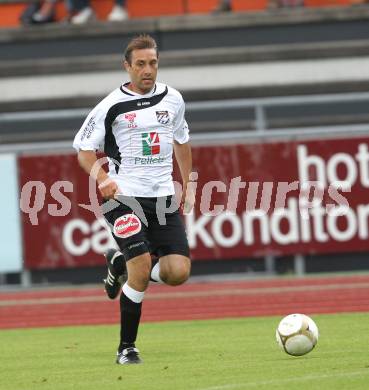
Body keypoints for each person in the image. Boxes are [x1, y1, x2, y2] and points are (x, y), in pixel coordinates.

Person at [73, 34, 194, 365]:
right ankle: (126, 347)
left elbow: (182, 140)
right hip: (121, 197)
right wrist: (102, 178)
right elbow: (83, 150)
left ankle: (118, 264)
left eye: (153, 63)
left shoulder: (174, 100)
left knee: (177, 272)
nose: (147, 70)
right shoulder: (110, 105)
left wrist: (190, 182)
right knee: (140, 265)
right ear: (127, 66)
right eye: (140, 64)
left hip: (163, 199)